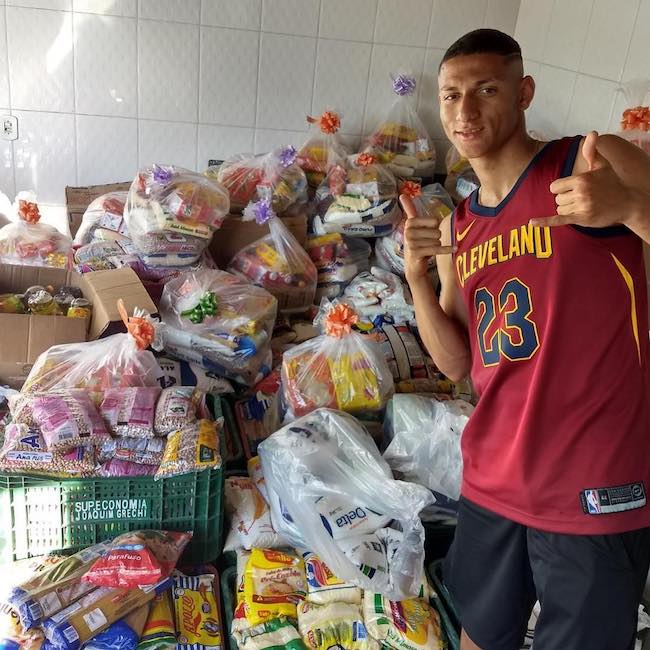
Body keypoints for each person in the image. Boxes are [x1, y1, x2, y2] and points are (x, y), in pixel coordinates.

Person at [400, 28, 650, 650]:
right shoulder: (464, 222)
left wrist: (630, 209)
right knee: (479, 637)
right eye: (452, 94)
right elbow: (457, 361)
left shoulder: (594, 161)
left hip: (593, 481)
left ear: (524, 93)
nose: (466, 110)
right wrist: (417, 280)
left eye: (486, 89)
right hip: (493, 477)